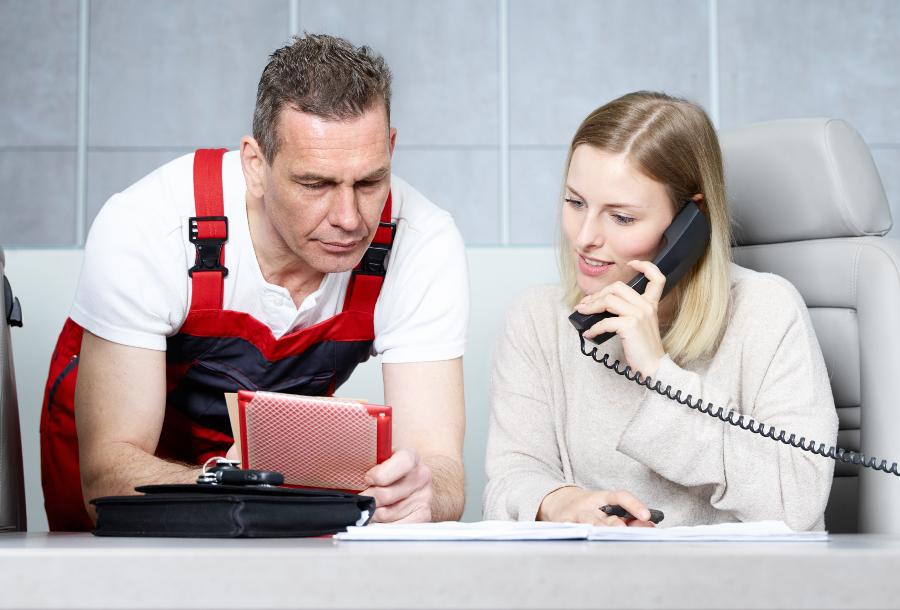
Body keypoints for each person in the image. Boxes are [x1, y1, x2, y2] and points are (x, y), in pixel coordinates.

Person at [40, 34, 467, 530]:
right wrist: (236, 485)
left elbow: (444, 471)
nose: (349, 219)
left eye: (370, 182)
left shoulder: (421, 240)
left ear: (390, 149)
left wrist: (418, 494)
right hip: (135, 480)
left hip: (269, 479)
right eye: (315, 185)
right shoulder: (148, 224)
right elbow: (109, 472)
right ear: (255, 165)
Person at [483, 91, 838, 531]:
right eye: (576, 203)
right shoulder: (537, 318)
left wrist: (657, 370)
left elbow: (798, 502)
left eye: (622, 217)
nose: (585, 237)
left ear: (691, 221)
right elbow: (510, 477)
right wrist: (562, 503)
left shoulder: (766, 310)